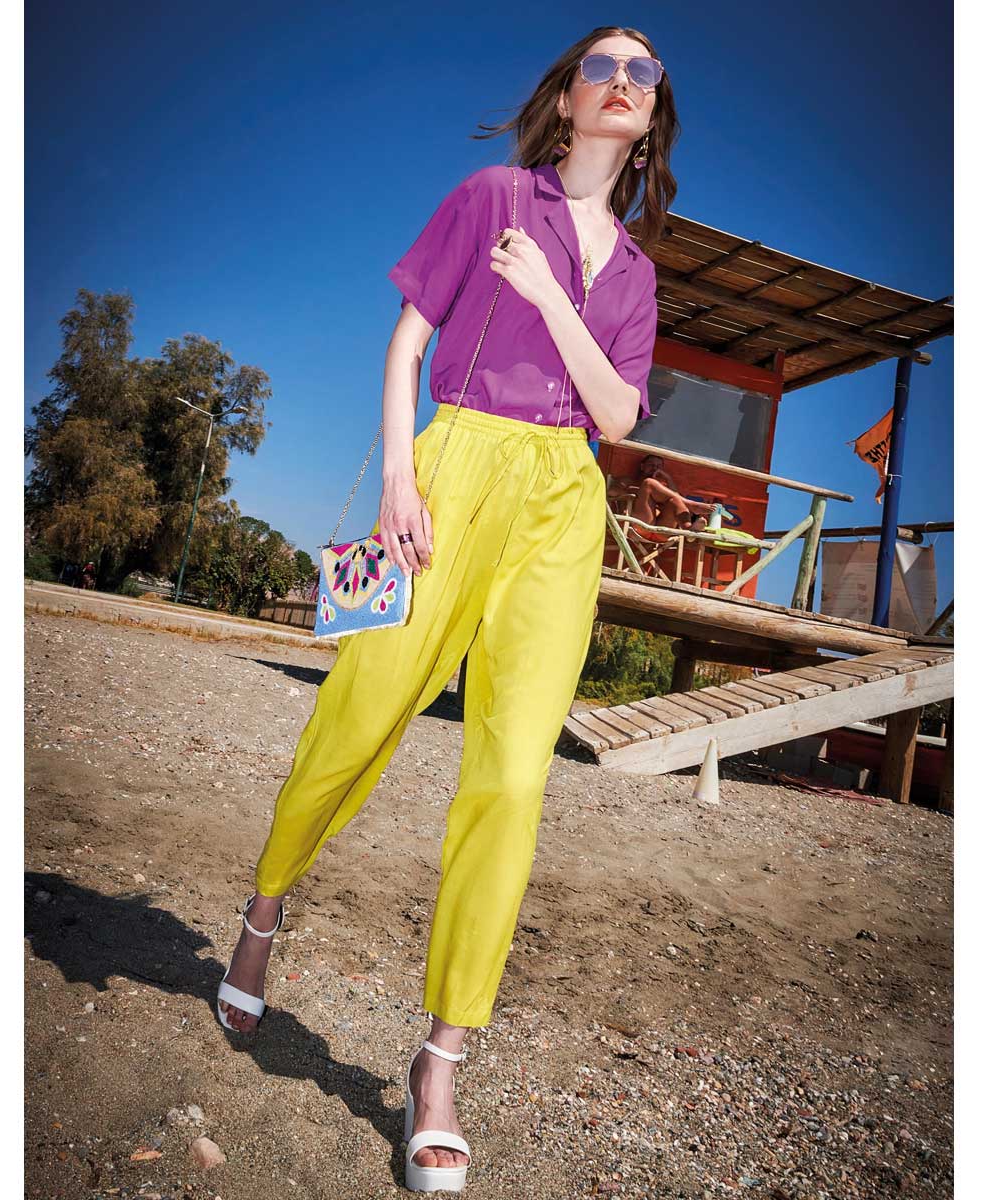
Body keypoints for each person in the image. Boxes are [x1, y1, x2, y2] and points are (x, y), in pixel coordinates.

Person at [215, 26, 677, 1192]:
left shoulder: (634, 272)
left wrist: (551, 295)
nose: (623, 82)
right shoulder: (491, 196)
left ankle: (440, 1062)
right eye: (603, 66)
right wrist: (400, 477)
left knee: (514, 779)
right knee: (361, 711)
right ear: (567, 99)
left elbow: (619, 415)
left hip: (563, 502)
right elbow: (410, 337)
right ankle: (263, 913)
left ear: (649, 117)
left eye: (645, 72)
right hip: (452, 464)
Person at [608, 451, 713, 533]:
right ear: (642, 466)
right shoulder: (628, 481)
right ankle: (691, 505)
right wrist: (635, 492)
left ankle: (689, 529)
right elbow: (611, 491)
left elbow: (677, 496)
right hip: (638, 526)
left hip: (661, 531)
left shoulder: (662, 488)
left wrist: (668, 478)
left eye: (658, 467)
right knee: (648, 483)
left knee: (675, 500)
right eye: (651, 465)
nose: (654, 468)